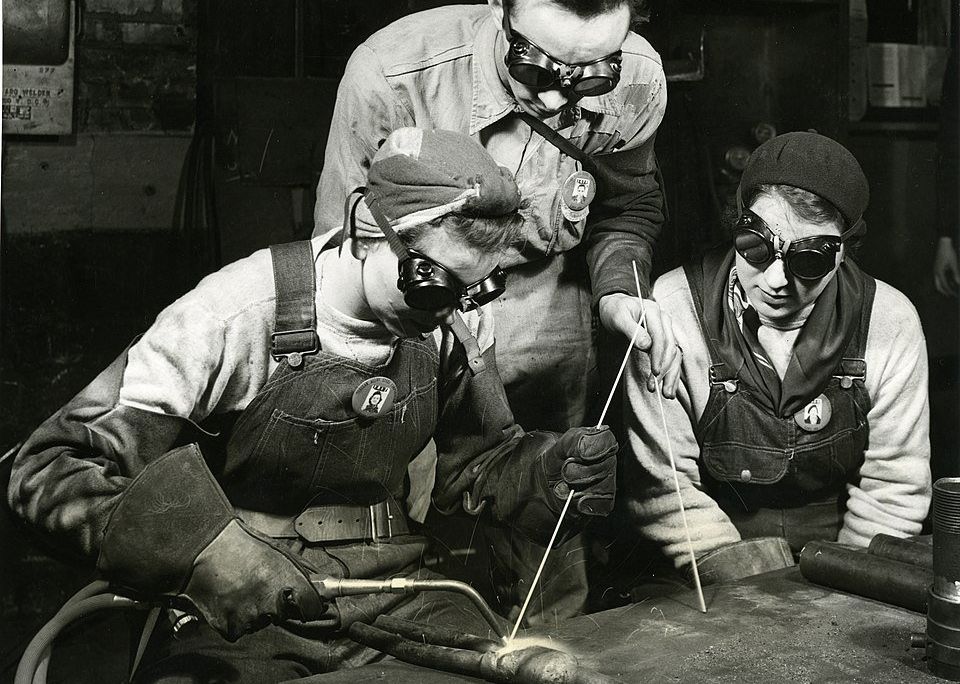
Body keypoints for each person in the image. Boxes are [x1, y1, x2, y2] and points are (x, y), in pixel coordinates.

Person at [7, 128, 618, 682]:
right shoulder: (235, 314)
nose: (450, 309)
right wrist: (205, 552)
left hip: (396, 592)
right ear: (365, 230)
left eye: (472, 288)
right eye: (432, 281)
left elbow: (476, 464)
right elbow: (53, 467)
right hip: (246, 601)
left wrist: (547, 472)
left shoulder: (450, 325)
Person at [313, 0, 678, 622]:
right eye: (541, 69)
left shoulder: (639, 79)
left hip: (547, 301)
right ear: (498, 11)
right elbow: (352, 253)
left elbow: (627, 207)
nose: (577, 103)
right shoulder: (394, 73)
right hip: (416, 303)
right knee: (396, 525)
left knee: (551, 501)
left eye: (595, 75)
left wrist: (618, 289)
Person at [623, 131, 932, 584]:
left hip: (843, 547)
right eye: (756, 246)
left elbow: (894, 488)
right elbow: (665, 488)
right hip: (709, 550)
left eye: (808, 260)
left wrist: (845, 586)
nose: (775, 282)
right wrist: (747, 586)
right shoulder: (671, 310)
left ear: (842, 250)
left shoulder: (890, 321)